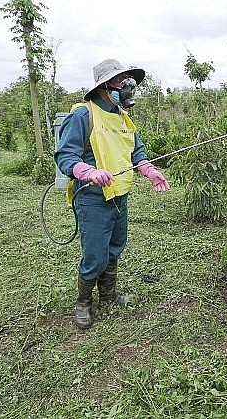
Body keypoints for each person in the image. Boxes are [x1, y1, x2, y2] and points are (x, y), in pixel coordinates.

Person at [55, 58, 170, 329]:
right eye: (121, 81)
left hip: (120, 195)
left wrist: (148, 169)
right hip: (93, 198)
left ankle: (108, 295)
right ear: (105, 86)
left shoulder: (123, 117)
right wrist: (88, 171)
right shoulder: (83, 115)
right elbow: (65, 156)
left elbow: (136, 150)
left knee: (115, 247)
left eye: (128, 81)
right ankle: (83, 303)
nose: (127, 86)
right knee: (95, 253)